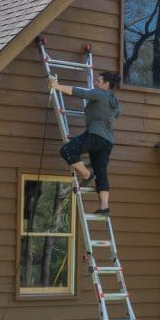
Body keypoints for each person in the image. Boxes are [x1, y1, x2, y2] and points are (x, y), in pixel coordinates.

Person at [49, 71, 121, 215]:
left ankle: (87, 175)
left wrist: (56, 86)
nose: (95, 83)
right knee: (101, 172)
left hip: (95, 134)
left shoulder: (100, 94)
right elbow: (117, 113)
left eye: (98, 81)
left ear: (106, 84)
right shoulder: (115, 101)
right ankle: (104, 207)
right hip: (107, 141)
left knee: (67, 151)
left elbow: (80, 92)